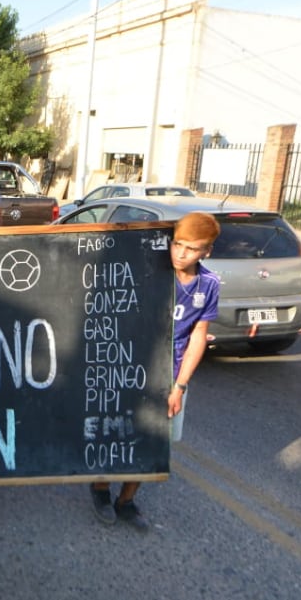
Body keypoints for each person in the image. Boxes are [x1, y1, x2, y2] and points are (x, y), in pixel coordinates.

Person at [90, 212, 222, 529]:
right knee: (118, 433)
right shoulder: (150, 269)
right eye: (177, 244)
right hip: (130, 365)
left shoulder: (209, 284)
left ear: (206, 252)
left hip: (171, 374)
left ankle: (127, 501)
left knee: (154, 442)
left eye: (192, 248)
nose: (181, 253)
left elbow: (198, 337)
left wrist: (180, 386)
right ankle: (100, 489)